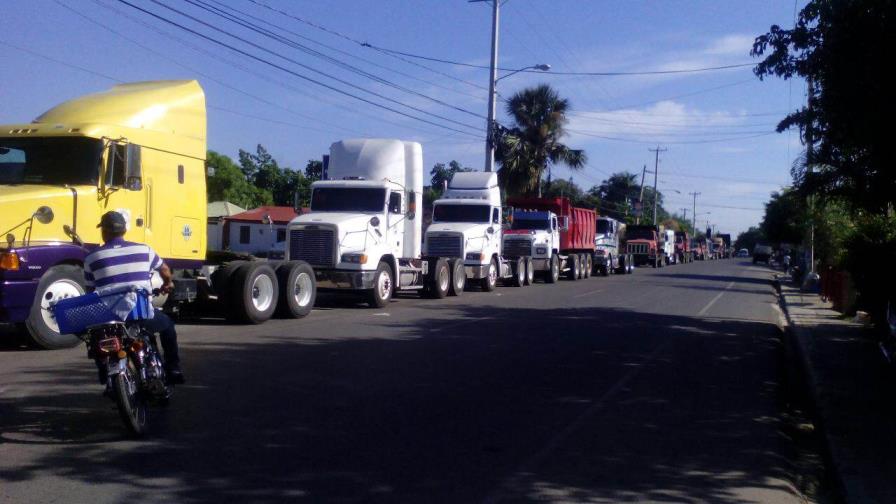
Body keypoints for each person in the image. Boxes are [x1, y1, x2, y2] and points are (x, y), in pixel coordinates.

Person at [84, 211, 185, 387]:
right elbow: (165, 270)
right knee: (168, 325)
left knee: (96, 339)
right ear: (124, 230)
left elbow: (90, 291)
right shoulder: (144, 250)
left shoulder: (91, 258)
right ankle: (174, 368)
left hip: (110, 318)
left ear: (104, 232)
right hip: (140, 313)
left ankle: (103, 370)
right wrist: (168, 283)